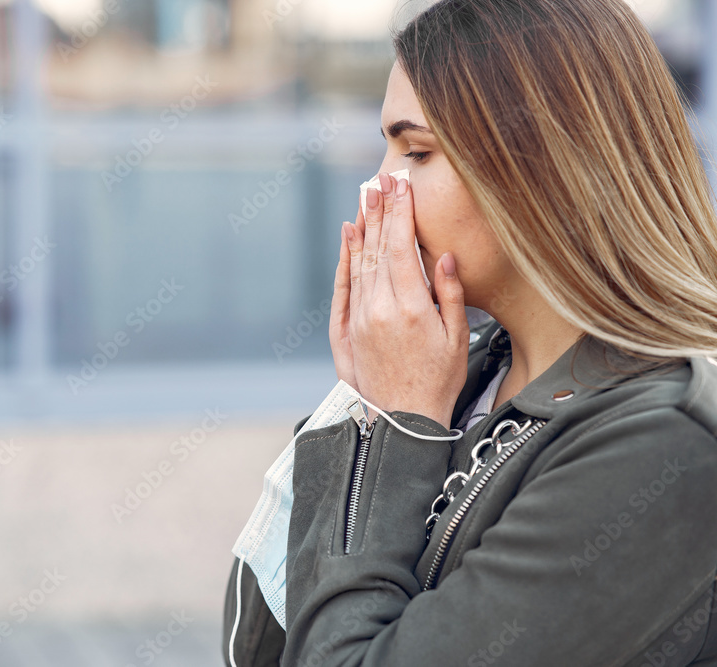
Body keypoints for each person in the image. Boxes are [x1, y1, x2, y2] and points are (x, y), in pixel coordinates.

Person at [222, 0, 717, 664]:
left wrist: (393, 422)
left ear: (541, 169)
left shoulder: (669, 442)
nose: (377, 187)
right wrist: (365, 402)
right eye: (385, 146)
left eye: (416, 150)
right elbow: (258, 636)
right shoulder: (458, 370)